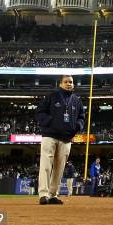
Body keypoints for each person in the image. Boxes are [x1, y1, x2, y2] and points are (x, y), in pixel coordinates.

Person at [36, 74, 85, 205]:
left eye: (71, 82)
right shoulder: (52, 96)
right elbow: (40, 112)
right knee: (46, 165)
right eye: (66, 82)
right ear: (60, 84)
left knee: (59, 168)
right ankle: (43, 194)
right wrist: (51, 122)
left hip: (66, 138)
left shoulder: (77, 100)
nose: (69, 84)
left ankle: (53, 195)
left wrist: (78, 126)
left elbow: (82, 116)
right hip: (50, 136)